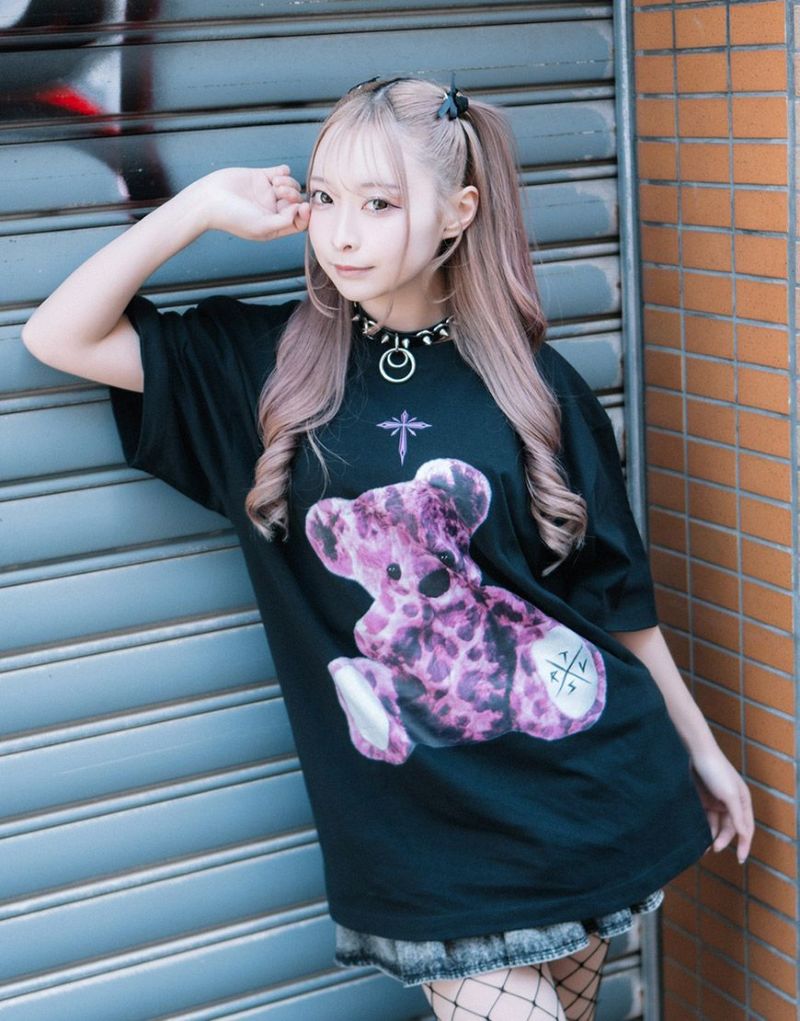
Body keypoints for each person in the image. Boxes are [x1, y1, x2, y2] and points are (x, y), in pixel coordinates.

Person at [22, 75, 754, 1021]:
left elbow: (615, 598)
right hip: (426, 846)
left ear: (459, 213)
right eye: (327, 198)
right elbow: (59, 333)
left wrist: (702, 751)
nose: (342, 233)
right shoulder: (266, 367)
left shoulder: (535, 387)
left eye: (379, 203)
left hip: (579, 804)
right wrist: (197, 206)